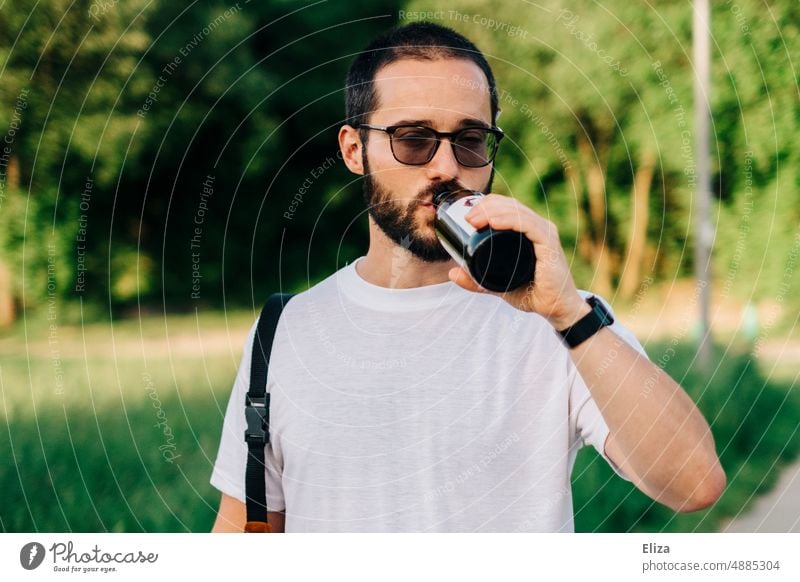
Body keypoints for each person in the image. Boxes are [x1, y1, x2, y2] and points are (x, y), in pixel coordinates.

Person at [210, 21, 725, 533]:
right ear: (352, 150)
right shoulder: (287, 329)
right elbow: (247, 532)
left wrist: (569, 315)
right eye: (413, 140)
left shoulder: (560, 322)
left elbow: (694, 483)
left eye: (470, 140)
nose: (445, 166)